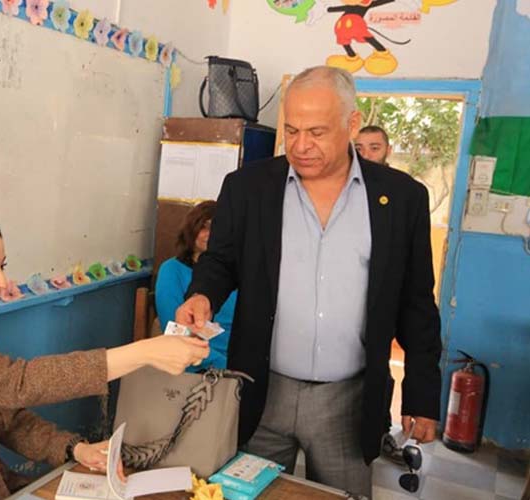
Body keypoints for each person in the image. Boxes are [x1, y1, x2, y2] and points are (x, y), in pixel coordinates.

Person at [176, 66, 441, 498]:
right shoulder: (248, 188)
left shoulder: (401, 198)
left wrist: (422, 395)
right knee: (248, 494)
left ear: (351, 123)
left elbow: (416, 303)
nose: (301, 146)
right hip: (262, 389)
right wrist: (202, 294)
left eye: (317, 132)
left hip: (348, 400)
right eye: (292, 130)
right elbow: (221, 260)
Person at [0, 210, 209, 500]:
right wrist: (143, 352)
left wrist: (75, 448)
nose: (2, 281)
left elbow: (8, 416)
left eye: (2, 267)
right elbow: (18, 382)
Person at [355, 124, 405, 465]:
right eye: (359, 147)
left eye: (374, 147)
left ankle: (380, 428)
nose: (366, 154)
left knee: (378, 368)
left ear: (387, 150)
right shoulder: (346, 188)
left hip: (382, 297)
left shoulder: (401, 192)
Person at [155, 201, 236, 371]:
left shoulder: (238, 274)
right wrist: (225, 366)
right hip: (196, 364)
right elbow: (174, 329)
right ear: (191, 230)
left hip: (239, 361)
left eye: (218, 228)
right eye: (204, 227)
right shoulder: (172, 269)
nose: (211, 234)